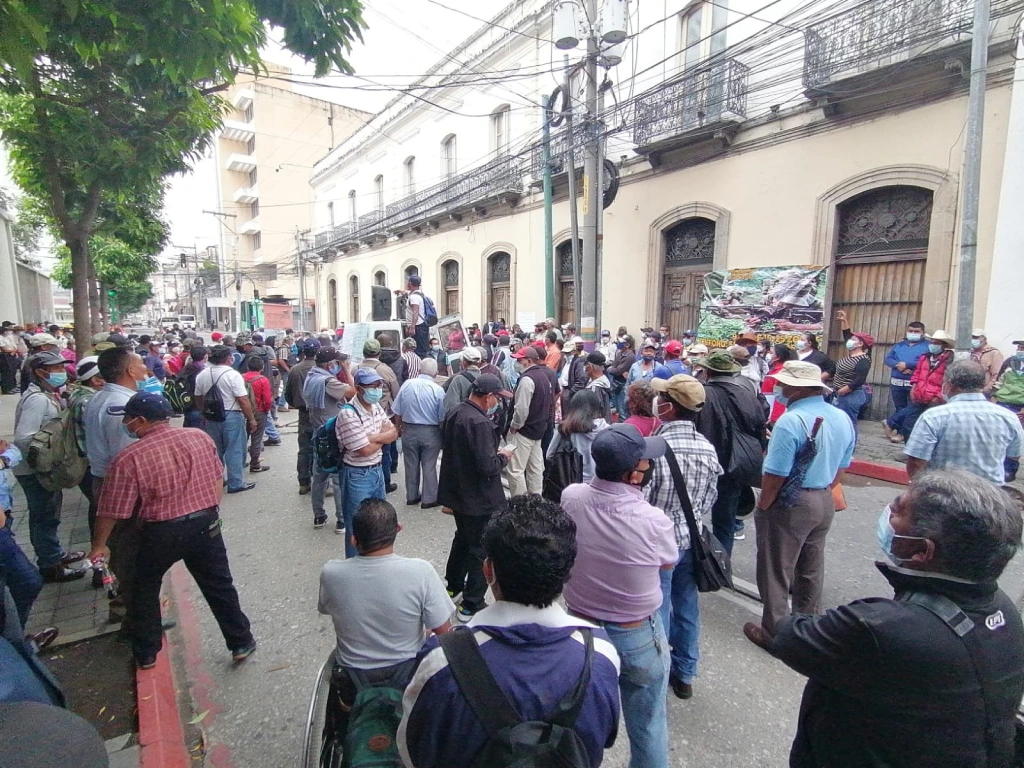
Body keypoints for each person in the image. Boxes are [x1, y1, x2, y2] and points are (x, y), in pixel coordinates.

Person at [744, 470, 1024, 768]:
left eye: (898, 509)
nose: (888, 513)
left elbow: (790, 638)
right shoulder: (1003, 610)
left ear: (922, 550)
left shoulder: (880, 627)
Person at [399, 495, 621, 768]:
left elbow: (411, 749)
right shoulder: (600, 655)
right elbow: (603, 738)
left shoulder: (440, 661)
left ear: (488, 569)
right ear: (566, 572)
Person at [88, 393, 256, 669]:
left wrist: (99, 544)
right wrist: (212, 513)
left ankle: (147, 651)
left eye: (129, 419)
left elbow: (112, 511)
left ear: (140, 421)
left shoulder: (129, 458)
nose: (127, 424)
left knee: (143, 589)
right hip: (204, 525)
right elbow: (216, 477)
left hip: (158, 533)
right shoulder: (199, 438)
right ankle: (240, 641)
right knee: (219, 585)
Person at [561, 424, 676, 768]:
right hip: (636, 632)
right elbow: (668, 563)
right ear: (633, 474)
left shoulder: (571, 496)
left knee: (577, 722)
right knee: (648, 726)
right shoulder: (654, 520)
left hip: (580, 629)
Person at [319, 498, 452, 731]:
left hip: (353, 679)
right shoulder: (420, 571)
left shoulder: (331, 573)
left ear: (354, 539)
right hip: (409, 676)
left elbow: (325, 608)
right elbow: (445, 633)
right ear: (398, 529)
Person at [753, 360, 855, 633]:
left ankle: (776, 631)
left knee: (776, 568)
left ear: (795, 389)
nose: (777, 389)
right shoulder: (841, 417)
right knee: (810, 567)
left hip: (792, 500)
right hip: (823, 496)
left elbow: (775, 475)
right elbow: (841, 467)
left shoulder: (790, 420)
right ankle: (808, 627)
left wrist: (764, 505)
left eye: (781, 385)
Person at [648, 374, 722, 700]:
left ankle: (660, 670)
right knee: (687, 605)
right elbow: (708, 500)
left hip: (659, 544)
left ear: (669, 407)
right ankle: (686, 672)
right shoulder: (707, 449)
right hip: (691, 539)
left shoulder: (654, 449)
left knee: (658, 610)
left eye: (661, 398)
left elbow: (643, 502)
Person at [439, 374, 514, 622]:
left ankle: (453, 586)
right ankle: (471, 603)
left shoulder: (457, 411)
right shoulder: (479, 423)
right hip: (479, 498)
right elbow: (488, 466)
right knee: (480, 549)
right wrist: (503, 456)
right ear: (487, 396)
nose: (497, 403)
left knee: (462, 539)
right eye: (496, 398)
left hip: (459, 493)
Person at [12, 351, 86, 583]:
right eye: (55, 368)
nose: (60, 372)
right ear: (39, 372)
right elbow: (24, 438)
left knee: (49, 514)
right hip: (35, 471)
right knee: (44, 516)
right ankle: (50, 564)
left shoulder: (46, 395)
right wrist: (47, 455)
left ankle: (55, 554)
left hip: (41, 469)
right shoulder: (37, 400)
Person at [690, 350, 767, 553]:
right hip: (736, 466)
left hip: (704, 464)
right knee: (725, 521)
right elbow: (760, 429)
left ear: (708, 372)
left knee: (690, 515)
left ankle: (699, 566)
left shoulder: (702, 394)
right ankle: (722, 568)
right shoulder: (748, 393)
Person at [904, 360, 1023, 485]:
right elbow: (1013, 457)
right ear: (982, 384)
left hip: (943, 492)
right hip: (991, 495)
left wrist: (918, 487)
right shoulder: (1009, 417)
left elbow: (916, 460)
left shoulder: (934, 416)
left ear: (950, 384)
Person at [336, 368, 397, 552]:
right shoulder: (348, 413)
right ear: (359, 388)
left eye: (378, 385)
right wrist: (380, 437)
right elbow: (364, 450)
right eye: (371, 386)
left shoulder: (376, 406)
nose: (376, 389)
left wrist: (371, 436)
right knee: (357, 526)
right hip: (357, 475)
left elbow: (393, 432)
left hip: (377, 470)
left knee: (379, 522)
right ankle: (355, 568)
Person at [194, 345, 258, 494]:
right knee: (235, 449)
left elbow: (198, 396)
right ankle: (236, 482)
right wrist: (251, 419)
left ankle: (218, 480)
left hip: (211, 416)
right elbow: (243, 399)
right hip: (231, 414)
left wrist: (203, 412)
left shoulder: (202, 374)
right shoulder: (232, 375)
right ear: (228, 358)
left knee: (216, 450)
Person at [303, 347, 353, 529]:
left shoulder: (311, 376)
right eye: (337, 362)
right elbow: (352, 392)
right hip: (333, 433)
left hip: (318, 431)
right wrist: (347, 371)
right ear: (329, 364)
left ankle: (319, 516)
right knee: (338, 478)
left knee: (319, 477)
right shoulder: (328, 381)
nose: (339, 365)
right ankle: (342, 520)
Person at [392, 357, 445, 509]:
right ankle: (429, 499)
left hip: (409, 429)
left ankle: (412, 496)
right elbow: (442, 416)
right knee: (429, 464)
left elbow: (397, 410)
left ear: (420, 370)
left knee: (410, 464)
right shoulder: (438, 390)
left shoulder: (407, 385)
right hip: (430, 431)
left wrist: (398, 427)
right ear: (435, 373)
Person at [883, 329, 954, 444]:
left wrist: (938, 396)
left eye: (936, 343)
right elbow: (917, 373)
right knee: (909, 424)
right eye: (932, 342)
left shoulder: (949, 360)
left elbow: (948, 380)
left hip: (935, 398)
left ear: (943, 345)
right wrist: (914, 387)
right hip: (918, 395)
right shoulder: (924, 357)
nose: (932, 345)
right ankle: (909, 451)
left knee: (929, 427)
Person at [505, 345, 554, 497]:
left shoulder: (527, 379)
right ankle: (536, 502)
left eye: (520, 360)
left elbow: (521, 409)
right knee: (535, 469)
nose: (517, 363)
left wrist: (514, 426)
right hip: (538, 430)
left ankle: (520, 506)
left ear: (528, 361)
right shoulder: (544, 377)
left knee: (515, 470)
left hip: (524, 431)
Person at [359, 339, 400, 494]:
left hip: (361, 416)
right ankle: (385, 482)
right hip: (383, 416)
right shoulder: (385, 369)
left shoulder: (355, 368)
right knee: (385, 452)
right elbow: (396, 393)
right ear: (379, 353)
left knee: (362, 447)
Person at [547, 390, 610, 483]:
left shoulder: (565, 429)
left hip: (572, 482)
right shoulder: (607, 430)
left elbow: (549, 455)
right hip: (600, 483)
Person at [286, 338, 320, 495]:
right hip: (320, 412)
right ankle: (320, 482)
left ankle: (304, 482)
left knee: (304, 448)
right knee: (320, 447)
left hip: (303, 413)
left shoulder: (295, 370)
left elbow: (288, 396)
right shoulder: (322, 370)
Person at [993, 339, 1024, 480]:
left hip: (1020, 407)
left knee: (1017, 439)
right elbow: (999, 381)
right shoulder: (1010, 362)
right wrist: (993, 398)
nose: (1020, 350)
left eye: (1022, 348)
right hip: (1002, 403)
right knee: (999, 436)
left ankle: (1010, 470)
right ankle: (998, 467)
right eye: (1019, 347)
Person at [883, 321, 927, 416]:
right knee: (899, 408)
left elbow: (926, 362)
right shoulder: (899, 345)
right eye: (911, 331)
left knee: (913, 410)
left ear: (923, 333)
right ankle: (898, 428)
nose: (913, 333)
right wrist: (898, 365)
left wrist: (907, 364)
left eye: (917, 331)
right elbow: (888, 359)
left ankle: (897, 426)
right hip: (897, 383)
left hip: (915, 385)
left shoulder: (928, 346)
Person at [241, 356, 272, 474]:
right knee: (256, 439)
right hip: (259, 411)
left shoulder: (241, 378)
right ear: (262, 367)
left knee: (243, 438)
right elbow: (267, 400)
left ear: (248, 366)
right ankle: (255, 464)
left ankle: (240, 462)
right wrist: (266, 410)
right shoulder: (263, 380)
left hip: (242, 411)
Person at [442, 345, 484, 414]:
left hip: (463, 420)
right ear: (479, 362)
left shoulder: (458, 379)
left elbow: (450, 406)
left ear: (464, 362)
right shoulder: (486, 378)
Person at [762, 343, 795, 423]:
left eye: (771, 353)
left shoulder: (781, 372)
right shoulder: (774, 369)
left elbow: (780, 396)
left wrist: (775, 417)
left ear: (778, 357)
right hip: (768, 406)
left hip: (772, 409)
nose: (769, 354)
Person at [608, 334, 636, 420]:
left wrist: (611, 369)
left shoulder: (630, 356)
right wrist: (614, 369)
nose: (618, 343)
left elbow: (617, 370)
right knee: (618, 408)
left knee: (622, 410)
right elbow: (615, 366)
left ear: (628, 345)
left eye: (621, 342)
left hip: (623, 384)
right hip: (616, 383)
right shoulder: (619, 353)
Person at [970, 329, 1005, 396]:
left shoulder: (994, 353)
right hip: (969, 389)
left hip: (983, 391)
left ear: (984, 339)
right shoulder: (969, 352)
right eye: (971, 337)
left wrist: (988, 389)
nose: (973, 340)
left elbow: (997, 375)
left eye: (976, 337)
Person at [404, 274, 430, 358]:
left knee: (419, 351)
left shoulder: (414, 297)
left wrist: (412, 327)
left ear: (410, 284)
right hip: (420, 326)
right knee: (420, 349)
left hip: (418, 327)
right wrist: (400, 291)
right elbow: (407, 292)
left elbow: (415, 311)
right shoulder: (418, 294)